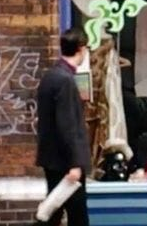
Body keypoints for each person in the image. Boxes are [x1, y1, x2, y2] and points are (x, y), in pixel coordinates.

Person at [35, 28, 92, 226]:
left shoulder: (51, 76)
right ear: (81, 49)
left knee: (52, 212)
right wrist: (75, 163)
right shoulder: (65, 80)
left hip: (53, 159)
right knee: (77, 217)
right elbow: (68, 124)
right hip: (65, 163)